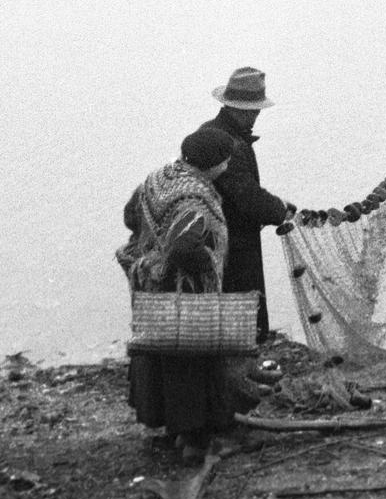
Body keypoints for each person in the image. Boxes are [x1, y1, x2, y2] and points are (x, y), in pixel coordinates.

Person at [117, 127, 263, 461]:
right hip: (186, 295)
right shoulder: (196, 199)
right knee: (195, 362)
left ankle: (177, 433)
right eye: (225, 160)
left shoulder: (159, 178)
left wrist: (154, 242)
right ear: (213, 164)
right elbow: (184, 248)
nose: (227, 166)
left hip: (153, 293)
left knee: (164, 358)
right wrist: (208, 258)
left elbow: (130, 216)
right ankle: (199, 442)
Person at [201, 67, 294, 344]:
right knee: (242, 310)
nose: (256, 115)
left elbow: (242, 189)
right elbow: (246, 195)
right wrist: (279, 210)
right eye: (253, 110)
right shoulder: (230, 143)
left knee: (225, 307)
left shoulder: (210, 132)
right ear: (239, 109)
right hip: (233, 241)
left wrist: (277, 205)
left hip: (216, 237)